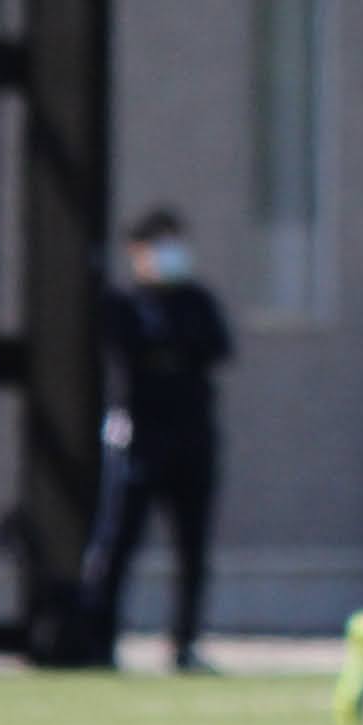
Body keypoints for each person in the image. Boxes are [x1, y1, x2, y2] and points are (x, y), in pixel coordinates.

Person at [76, 207, 233, 673]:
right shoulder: (125, 303)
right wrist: (166, 351)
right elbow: (127, 351)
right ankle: (99, 641)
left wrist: (170, 350)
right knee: (118, 540)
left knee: (192, 546)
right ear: (137, 252)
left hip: (192, 435)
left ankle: (185, 642)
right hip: (140, 438)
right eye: (159, 244)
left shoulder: (196, 300)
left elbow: (216, 348)